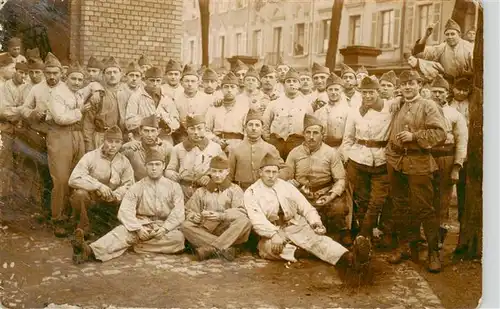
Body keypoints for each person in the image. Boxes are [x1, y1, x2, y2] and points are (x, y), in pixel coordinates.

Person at [244, 153, 372, 276]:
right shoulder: (252, 192)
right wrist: (274, 234)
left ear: (278, 172)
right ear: (260, 172)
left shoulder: (286, 186)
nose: (271, 176)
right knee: (268, 249)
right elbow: (257, 220)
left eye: (274, 172)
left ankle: (351, 258)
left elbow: (305, 207)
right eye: (267, 172)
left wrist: (315, 222)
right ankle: (307, 252)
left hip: (295, 225)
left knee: (318, 240)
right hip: (273, 230)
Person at [71, 149, 186, 264]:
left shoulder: (174, 187)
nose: (154, 168)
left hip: (162, 225)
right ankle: (88, 250)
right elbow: (125, 210)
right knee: (122, 231)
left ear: (164, 166)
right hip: (141, 223)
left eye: (157, 164)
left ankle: (132, 244)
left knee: (178, 239)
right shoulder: (137, 187)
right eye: (150, 164)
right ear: (145, 166)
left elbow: (178, 211)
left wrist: (164, 228)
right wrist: (138, 228)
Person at [385, 70, 447, 273]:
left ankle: (432, 252)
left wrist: (414, 136)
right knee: (400, 206)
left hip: (419, 160)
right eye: (404, 84)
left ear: (419, 84)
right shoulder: (399, 104)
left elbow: (439, 132)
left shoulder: (429, 105)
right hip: (396, 161)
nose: (407, 87)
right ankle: (404, 247)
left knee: (424, 207)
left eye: (411, 83)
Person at [285, 114, 350, 245]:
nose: (311, 136)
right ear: (303, 134)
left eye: (315, 133)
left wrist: (330, 196)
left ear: (322, 135)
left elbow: (340, 180)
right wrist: (295, 189)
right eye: (308, 132)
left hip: (325, 194)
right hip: (301, 195)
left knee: (338, 209)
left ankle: (338, 235)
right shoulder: (294, 153)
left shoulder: (331, 153)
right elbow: (287, 178)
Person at [341, 76, 391, 243]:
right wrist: (347, 159)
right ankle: (365, 238)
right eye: (364, 92)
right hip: (358, 159)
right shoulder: (355, 111)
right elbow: (348, 138)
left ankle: (364, 233)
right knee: (361, 199)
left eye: (371, 92)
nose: (368, 96)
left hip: (382, 159)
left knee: (377, 199)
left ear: (378, 92)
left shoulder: (390, 108)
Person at [181, 156, 252, 261]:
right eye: (214, 171)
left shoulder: (235, 190)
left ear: (227, 172)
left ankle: (212, 249)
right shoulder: (201, 191)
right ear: (210, 171)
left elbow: (241, 212)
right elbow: (189, 211)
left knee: (245, 221)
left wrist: (221, 216)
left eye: (220, 171)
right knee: (185, 226)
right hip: (206, 231)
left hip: (228, 230)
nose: (217, 175)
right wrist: (193, 217)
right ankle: (227, 249)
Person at [68, 126, 135, 238]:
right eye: (110, 141)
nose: (113, 145)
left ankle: (110, 230)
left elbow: (129, 184)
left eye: (117, 142)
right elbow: (73, 179)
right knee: (80, 194)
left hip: (111, 201)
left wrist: (116, 194)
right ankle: (83, 229)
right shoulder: (91, 157)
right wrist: (98, 186)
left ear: (121, 143)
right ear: (103, 141)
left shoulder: (124, 161)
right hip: (92, 198)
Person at [429, 75, 468, 247]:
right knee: (424, 199)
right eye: (434, 92)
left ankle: (438, 240)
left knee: (442, 201)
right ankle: (425, 237)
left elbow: (461, 142)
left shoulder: (454, 114)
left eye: (440, 92)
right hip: (426, 158)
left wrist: (456, 167)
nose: (437, 95)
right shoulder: (424, 110)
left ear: (447, 94)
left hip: (446, 159)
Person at [165, 114, 226, 201]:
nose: (196, 132)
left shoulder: (215, 148)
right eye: (192, 129)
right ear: (187, 130)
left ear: (205, 129)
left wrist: (209, 176)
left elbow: (223, 170)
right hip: (184, 190)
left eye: (199, 128)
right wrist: (170, 173)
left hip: (206, 190)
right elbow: (170, 169)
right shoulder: (177, 148)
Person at [262, 68, 313, 159]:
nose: (291, 83)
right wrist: (270, 142)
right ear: (284, 84)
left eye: (294, 81)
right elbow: (265, 124)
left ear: (299, 85)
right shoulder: (273, 103)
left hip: (298, 145)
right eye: (288, 81)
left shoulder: (306, 105)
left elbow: (311, 127)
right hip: (276, 145)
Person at [228, 109, 282, 191]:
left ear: (262, 128)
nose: (253, 128)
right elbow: (229, 174)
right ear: (245, 127)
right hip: (241, 190)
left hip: (264, 190)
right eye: (250, 125)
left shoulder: (270, 148)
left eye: (257, 125)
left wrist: (272, 179)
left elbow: (284, 169)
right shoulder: (235, 149)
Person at [126, 66, 179, 145]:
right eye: (152, 80)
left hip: (163, 138)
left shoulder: (167, 97)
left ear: (162, 80)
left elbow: (176, 122)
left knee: (168, 150)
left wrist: (166, 121)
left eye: (158, 81)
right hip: (142, 138)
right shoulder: (136, 96)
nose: (155, 84)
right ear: (145, 80)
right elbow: (128, 122)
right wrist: (148, 119)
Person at [205, 72, 249, 153]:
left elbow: (247, 132)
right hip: (216, 144)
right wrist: (216, 140)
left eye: (232, 87)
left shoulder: (244, 109)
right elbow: (206, 130)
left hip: (238, 144)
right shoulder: (213, 109)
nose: (229, 90)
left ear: (237, 90)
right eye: (226, 87)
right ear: (221, 89)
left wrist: (241, 146)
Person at [121, 115, 172, 181]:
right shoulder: (133, 148)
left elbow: (174, 169)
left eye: (153, 131)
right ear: (140, 131)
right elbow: (113, 159)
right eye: (146, 131)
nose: (149, 135)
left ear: (158, 132)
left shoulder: (166, 147)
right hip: (138, 188)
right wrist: (124, 146)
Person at [449, 77, 471, 225]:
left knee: (463, 183)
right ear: (453, 89)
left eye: (465, 90)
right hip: (450, 148)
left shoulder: (472, 104)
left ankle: (462, 217)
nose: (462, 92)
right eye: (459, 89)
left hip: (467, 147)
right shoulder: (448, 103)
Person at [314, 73, 350, 152]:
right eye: (330, 89)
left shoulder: (348, 111)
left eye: (336, 89)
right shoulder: (319, 112)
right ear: (326, 91)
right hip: (322, 149)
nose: (333, 92)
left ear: (342, 90)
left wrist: (342, 151)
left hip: (341, 148)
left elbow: (349, 136)